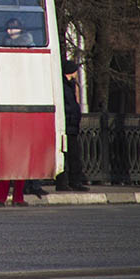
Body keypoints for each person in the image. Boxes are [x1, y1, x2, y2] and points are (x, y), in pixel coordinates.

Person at [56, 59, 89, 191]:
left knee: (72, 155)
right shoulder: (64, 87)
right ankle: (67, 182)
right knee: (70, 155)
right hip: (68, 126)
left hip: (71, 126)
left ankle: (72, 181)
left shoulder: (69, 85)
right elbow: (68, 106)